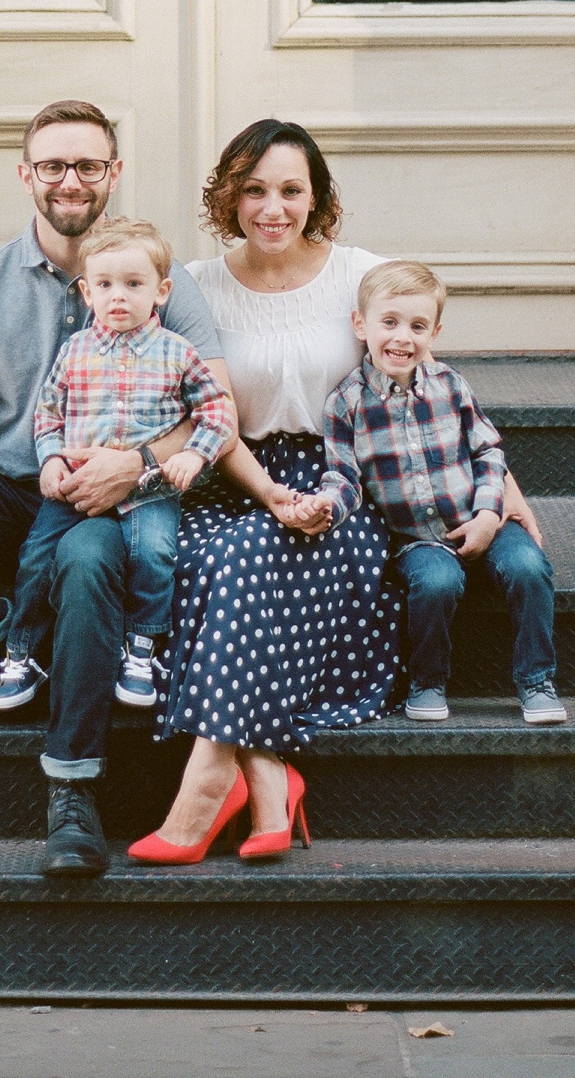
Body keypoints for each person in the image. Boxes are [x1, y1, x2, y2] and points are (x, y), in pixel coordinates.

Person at [128, 120, 549, 867]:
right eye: (253, 189)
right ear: (228, 196)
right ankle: (262, 778)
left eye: (292, 189)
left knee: (243, 561)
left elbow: (430, 387)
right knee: (216, 554)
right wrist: (261, 492)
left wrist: (503, 489)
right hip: (238, 476)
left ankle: (208, 785)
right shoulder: (197, 285)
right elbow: (203, 411)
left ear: (316, 195)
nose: (272, 207)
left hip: (342, 485)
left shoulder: (361, 273)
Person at [0, 100, 228, 877]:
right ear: (27, 174)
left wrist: (133, 464)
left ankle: (72, 789)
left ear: (114, 172)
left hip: (120, 498)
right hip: (19, 488)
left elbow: (220, 412)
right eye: (55, 165)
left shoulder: (160, 280)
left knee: (90, 563)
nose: (72, 180)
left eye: (89, 165)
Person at [0, 217, 235, 714]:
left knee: (154, 554)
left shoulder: (178, 353)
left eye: (133, 284)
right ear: (86, 292)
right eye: (104, 285)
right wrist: (51, 458)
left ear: (161, 291)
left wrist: (193, 453)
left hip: (150, 489)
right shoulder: (74, 351)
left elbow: (217, 411)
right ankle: (20, 652)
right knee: (37, 557)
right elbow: (49, 414)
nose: (118, 296)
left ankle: (142, 649)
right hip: (77, 485)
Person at [306, 259, 566, 725]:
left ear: (435, 332)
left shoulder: (450, 384)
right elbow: (343, 477)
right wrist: (327, 504)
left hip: (480, 515)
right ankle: (428, 682)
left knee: (529, 567)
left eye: (417, 326)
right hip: (416, 540)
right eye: (389, 322)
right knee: (436, 583)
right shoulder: (346, 403)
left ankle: (537, 681)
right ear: (360, 325)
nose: (403, 337)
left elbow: (488, 452)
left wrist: (489, 514)